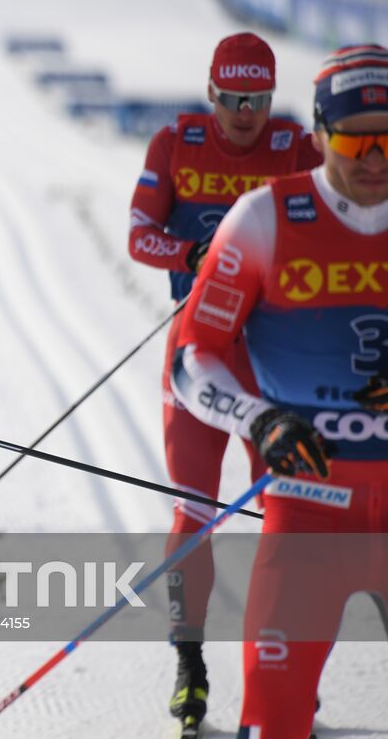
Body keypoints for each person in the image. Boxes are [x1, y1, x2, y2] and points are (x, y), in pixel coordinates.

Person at [172, 43, 388, 739]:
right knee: (274, 721)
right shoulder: (263, 220)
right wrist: (260, 420)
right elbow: (191, 360)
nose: (375, 159)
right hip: (308, 514)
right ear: (321, 134)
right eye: (357, 139)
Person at [126, 31, 321, 734]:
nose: (245, 113)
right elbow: (138, 233)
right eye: (233, 98)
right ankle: (190, 663)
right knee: (193, 509)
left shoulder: (296, 147)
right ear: (212, 94)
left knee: (294, 508)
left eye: (258, 98)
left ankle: (289, 668)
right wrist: (190, 250)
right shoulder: (174, 143)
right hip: (198, 353)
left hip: (274, 356)